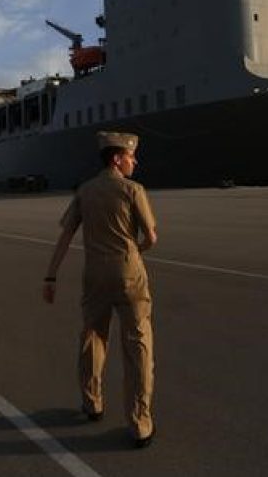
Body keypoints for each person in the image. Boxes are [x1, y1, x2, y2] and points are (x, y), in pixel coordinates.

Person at [43, 131, 158, 448]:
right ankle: (140, 424)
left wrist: (50, 277)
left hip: (94, 274)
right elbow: (151, 237)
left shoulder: (85, 190)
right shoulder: (133, 189)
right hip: (129, 273)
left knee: (93, 337)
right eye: (131, 156)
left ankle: (92, 402)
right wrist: (135, 252)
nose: (135, 161)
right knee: (138, 344)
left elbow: (66, 236)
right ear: (117, 159)